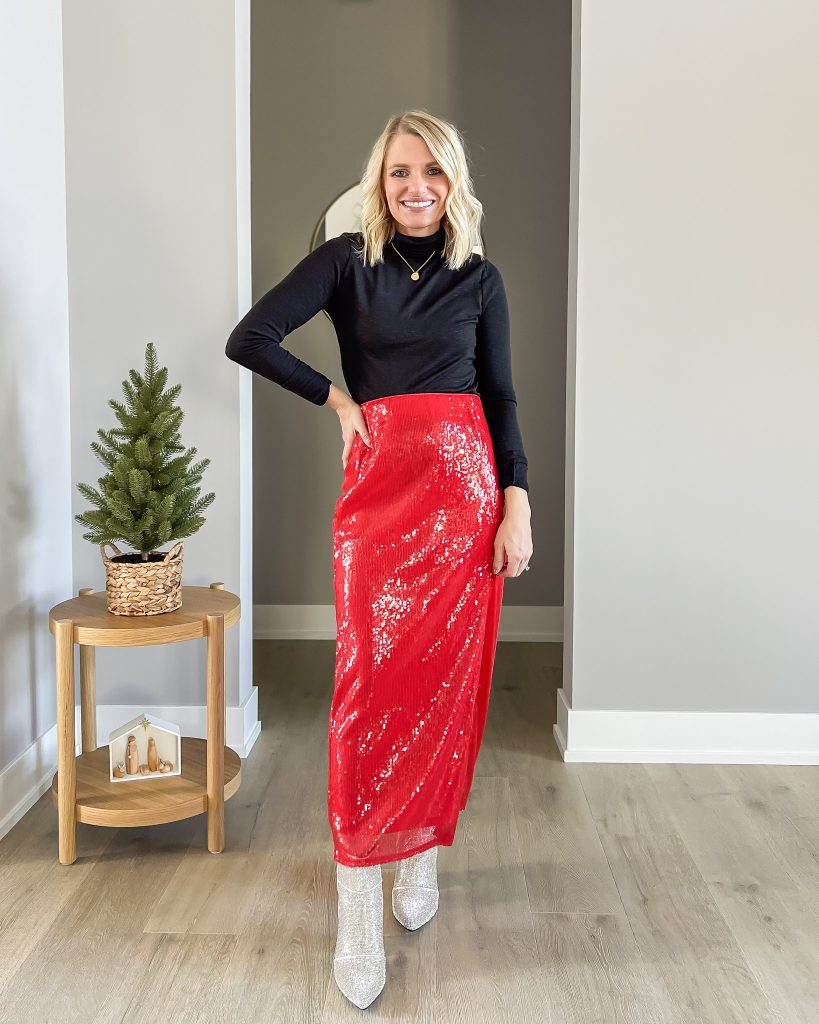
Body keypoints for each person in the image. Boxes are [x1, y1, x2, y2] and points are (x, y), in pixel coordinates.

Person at [225, 109, 534, 1010]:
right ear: (379, 178)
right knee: (367, 688)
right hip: (380, 498)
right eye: (401, 171)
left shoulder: (481, 277)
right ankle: (356, 896)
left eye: (432, 173)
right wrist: (336, 401)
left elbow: (503, 398)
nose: (416, 188)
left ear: (453, 183)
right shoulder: (341, 262)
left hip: (467, 497)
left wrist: (515, 501)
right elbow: (251, 337)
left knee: (445, 685)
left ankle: (417, 856)